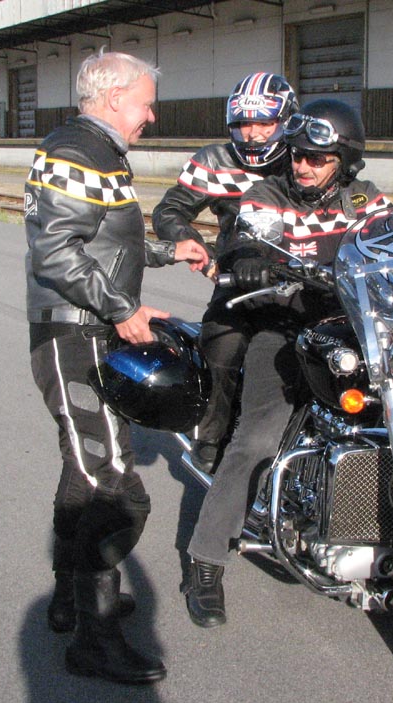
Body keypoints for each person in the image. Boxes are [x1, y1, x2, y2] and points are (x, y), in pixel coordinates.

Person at [24, 49, 209, 684]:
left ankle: (70, 601)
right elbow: (56, 252)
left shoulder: (96, 150)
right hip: (74, 335)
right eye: (145, 103)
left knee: (82, 472)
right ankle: (94, 639)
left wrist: (164, 252)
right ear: (112, 98)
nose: (151, 116)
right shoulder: (78, 151)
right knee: (116, 488)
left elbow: (106, 240)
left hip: (88, 325)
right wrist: (122, 307)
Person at [182, 99, 392, 627]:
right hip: (284, 329)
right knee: (257, 439)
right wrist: (252, 260)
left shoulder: (364, 199)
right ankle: (205, 562)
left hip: (355, 332)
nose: (303, 166)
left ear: (344, 161)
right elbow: (248, 236)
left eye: (317, 158)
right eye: (298, 155)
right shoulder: (268, 194)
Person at [152, 72, 298, 473]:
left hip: (306, 280)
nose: (252, 133)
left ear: (287, 120)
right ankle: (210, 437)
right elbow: (169, 210)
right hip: (239, 280)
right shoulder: (214, 160)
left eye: (264, 122)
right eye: (243, 123)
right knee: (221, 345)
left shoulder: (304, 157)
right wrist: (195, 247)